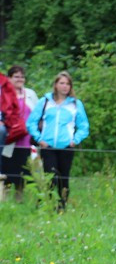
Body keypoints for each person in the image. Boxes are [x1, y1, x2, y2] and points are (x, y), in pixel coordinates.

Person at [27, 71, 89, 211]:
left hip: (66, 147)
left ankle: (62, 207)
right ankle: (45, 204)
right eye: (62, 83)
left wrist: (75, 140)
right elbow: (31, 122)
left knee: (63, 178)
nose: (64, 86)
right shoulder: (45, 102)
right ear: (56, 85)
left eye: (67, 84)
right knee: (50, 177)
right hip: (48, 146)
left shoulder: (75, 104)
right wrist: (39, 139)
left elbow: (84, 126)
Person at [1, 65, 37, 201]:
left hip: (26, 140)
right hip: (10, 140)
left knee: (23, 171)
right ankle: (4, 199)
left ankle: (19, 200)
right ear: (9, 78)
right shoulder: (4, 94)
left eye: (22, 76)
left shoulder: (30, 94)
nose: (20, 79)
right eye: (16, 76)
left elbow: (38, 113)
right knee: (7, 170)